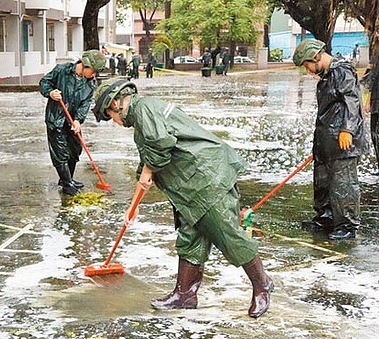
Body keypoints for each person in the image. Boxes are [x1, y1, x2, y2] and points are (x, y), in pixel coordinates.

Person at [91, 78, 274, 318]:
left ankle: (262, 284)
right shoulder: (144, 113)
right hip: (190, 187)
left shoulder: (143, 109)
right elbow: (149, 160)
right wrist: (134, 203)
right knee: (190, 238)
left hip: (207, 179)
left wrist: (147, 172)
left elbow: (160, 145)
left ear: (115, 103)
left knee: (227, 234)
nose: (114, 122)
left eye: (110, 116)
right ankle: (185, 294)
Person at [292, 39, 367, 240]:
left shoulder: (342, 72)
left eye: (307, 65)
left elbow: (352, 101)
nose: (308, 70)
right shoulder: (326, 77)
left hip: (343, 140)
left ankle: (347, 225)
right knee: (323, 180)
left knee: (343, 183)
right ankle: (325, 217)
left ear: (315, 57)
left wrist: (347, 129)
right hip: (327, 140)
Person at [38, 50, 106, 196]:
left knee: (75, 149)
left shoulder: (90, 83)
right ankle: (67, 183)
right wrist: (50, 92)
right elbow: (44, 82)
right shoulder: (62, 70)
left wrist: (78, 120)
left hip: (72, 120)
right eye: (93, 71)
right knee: (60, 152)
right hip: (56, 119)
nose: (93, 75)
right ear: (85, 65)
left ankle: (67, 179)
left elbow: (86, 102)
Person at [362, 29, 379, 171]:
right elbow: (371, 79)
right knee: (375, 136)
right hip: (376, 101)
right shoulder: (376, 55)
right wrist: (368, 101)